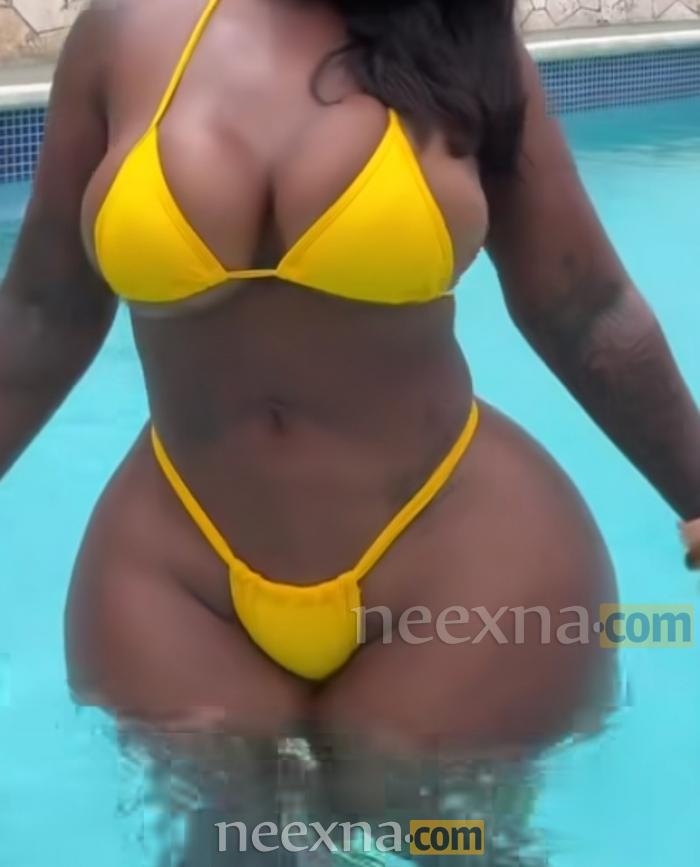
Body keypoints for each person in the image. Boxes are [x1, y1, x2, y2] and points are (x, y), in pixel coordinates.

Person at [1, 0, 698, 860]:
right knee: (231, 845)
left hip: (455, 561)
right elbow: (42, 311)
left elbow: (585, 307)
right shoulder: (123, 36)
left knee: (441, 834)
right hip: (179, 573)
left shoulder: (462, 40)